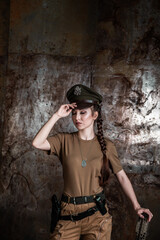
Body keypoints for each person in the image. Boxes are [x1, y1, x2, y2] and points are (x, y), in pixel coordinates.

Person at [32, 84, 153, 240]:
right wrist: (56, 115)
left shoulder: (107, 146)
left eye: (83, 113)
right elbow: (37, 143)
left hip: (97, 214)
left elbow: (122, 176)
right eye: (74, 113)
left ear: (95, 115)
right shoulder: (63, 140)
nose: (77, 118)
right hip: (68, 214)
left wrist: (137, 206)